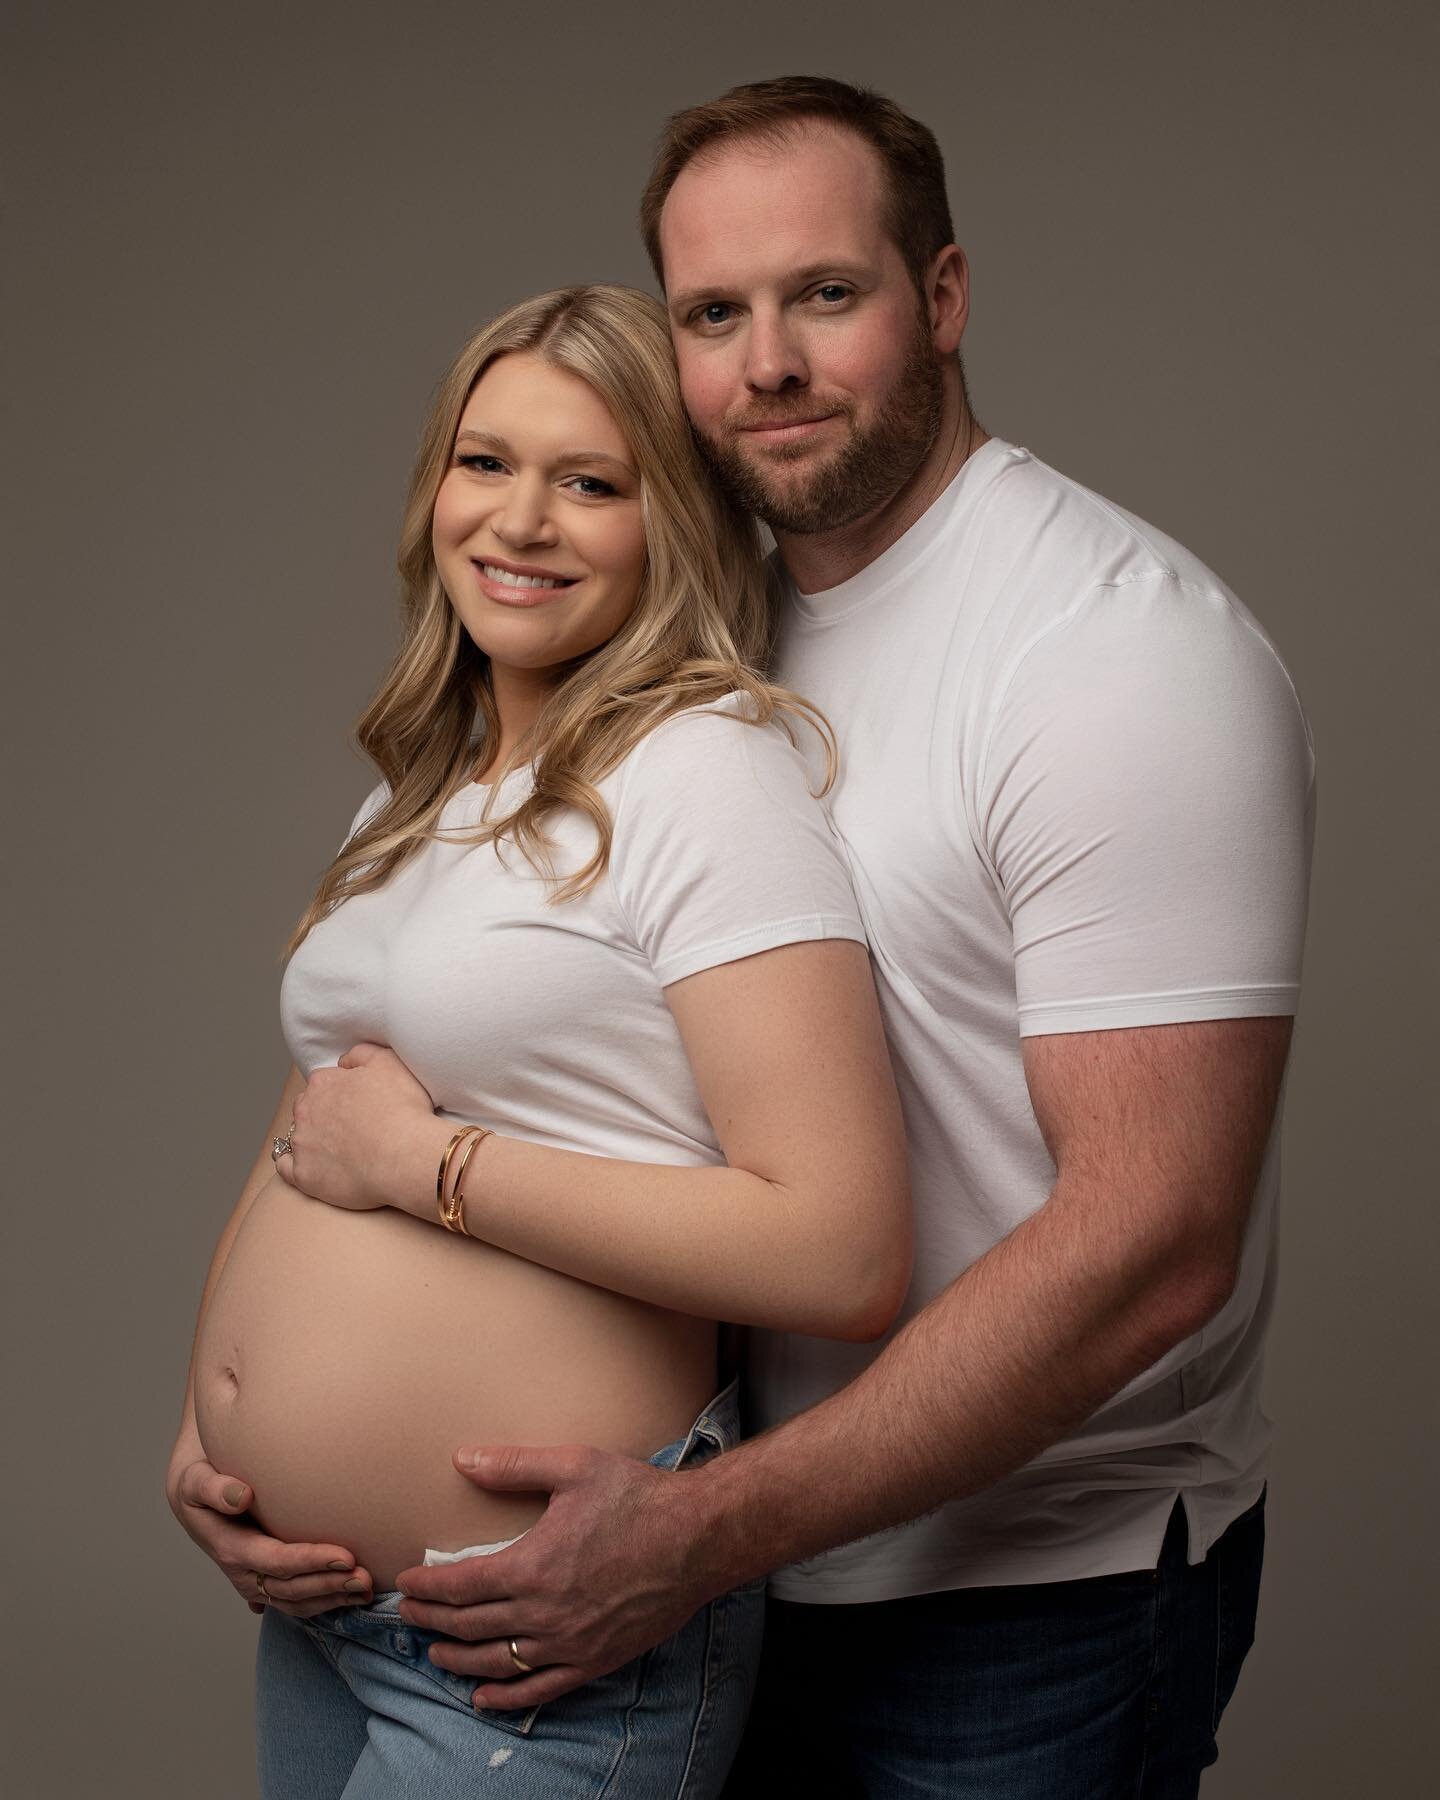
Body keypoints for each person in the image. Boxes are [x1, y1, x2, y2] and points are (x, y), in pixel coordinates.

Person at [383, 77, 1317, 1799]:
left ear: (942, 299)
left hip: (1029, 1602)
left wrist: (701, 1529)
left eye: (827, 295)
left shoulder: (1116, 654)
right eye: (713, 315)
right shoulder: (707, 632)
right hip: (728, 1562)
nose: (769, 365)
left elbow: (1156, 1240)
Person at [164, 281, 912, 1799]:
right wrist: (206, 1425)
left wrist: (432, 1167)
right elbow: (321, 1117)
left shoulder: (703, 777)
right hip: (325, 1619)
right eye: (485, 462)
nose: (520, 521)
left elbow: (841, 1250)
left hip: (538, 1652)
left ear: (673, 526)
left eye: (591, 482)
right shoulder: (412, 801)